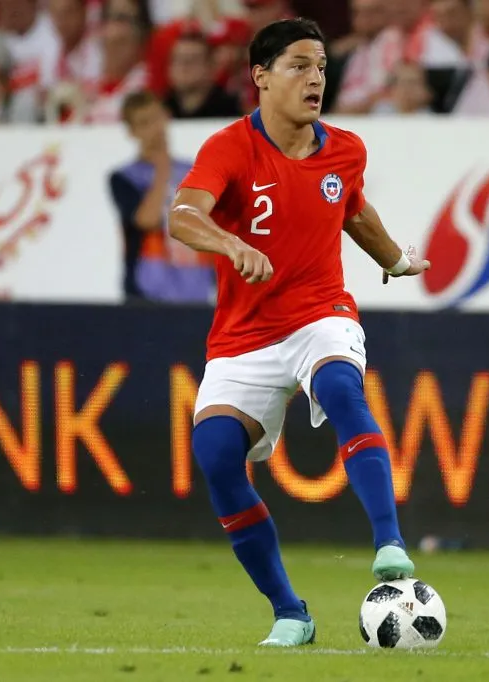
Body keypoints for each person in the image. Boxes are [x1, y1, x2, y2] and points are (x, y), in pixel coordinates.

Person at [167, 18, 429, 647]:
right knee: (216, 457)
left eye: (321, 66)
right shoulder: (230, 147)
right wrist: (230, 244)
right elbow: (181, 215)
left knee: (343, 389)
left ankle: (389, 544)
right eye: (298, 65)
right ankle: (291, 612)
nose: (315, 78)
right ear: (260, 77)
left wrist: (394, 260)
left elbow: (353, 210)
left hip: (319, 313)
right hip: (244, 335)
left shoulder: (344, 148)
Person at [110, 91, 214, 303]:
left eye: (157, 118)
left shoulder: (193, 170)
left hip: (196, 287)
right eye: (144, 123)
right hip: (146, 292)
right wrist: (162, 170)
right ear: (131, 131)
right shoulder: (124, 177)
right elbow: (146, 220)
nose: (155, 129)